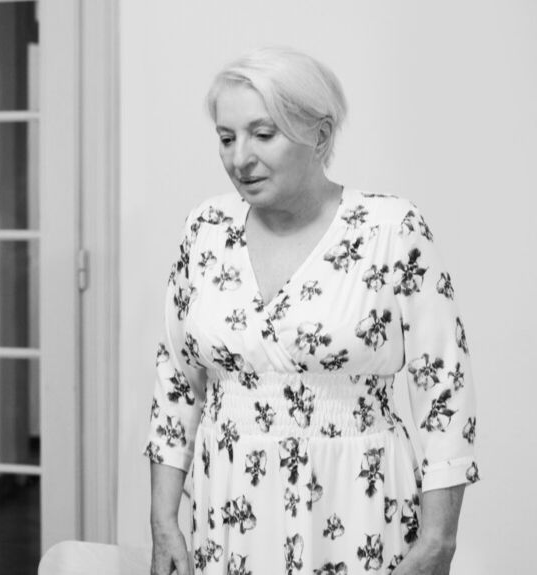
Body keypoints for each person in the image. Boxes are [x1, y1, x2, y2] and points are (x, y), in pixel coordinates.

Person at [145, 47, 478, 575]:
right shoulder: (204, 229)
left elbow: (444, 387)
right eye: (227, 138)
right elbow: (177, 384)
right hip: (229, 510)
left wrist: (439, 539)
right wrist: (164, 520)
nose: (240, 158)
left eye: (263, 134)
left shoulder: (390, 229)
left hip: (358, 507)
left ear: (319, 136)